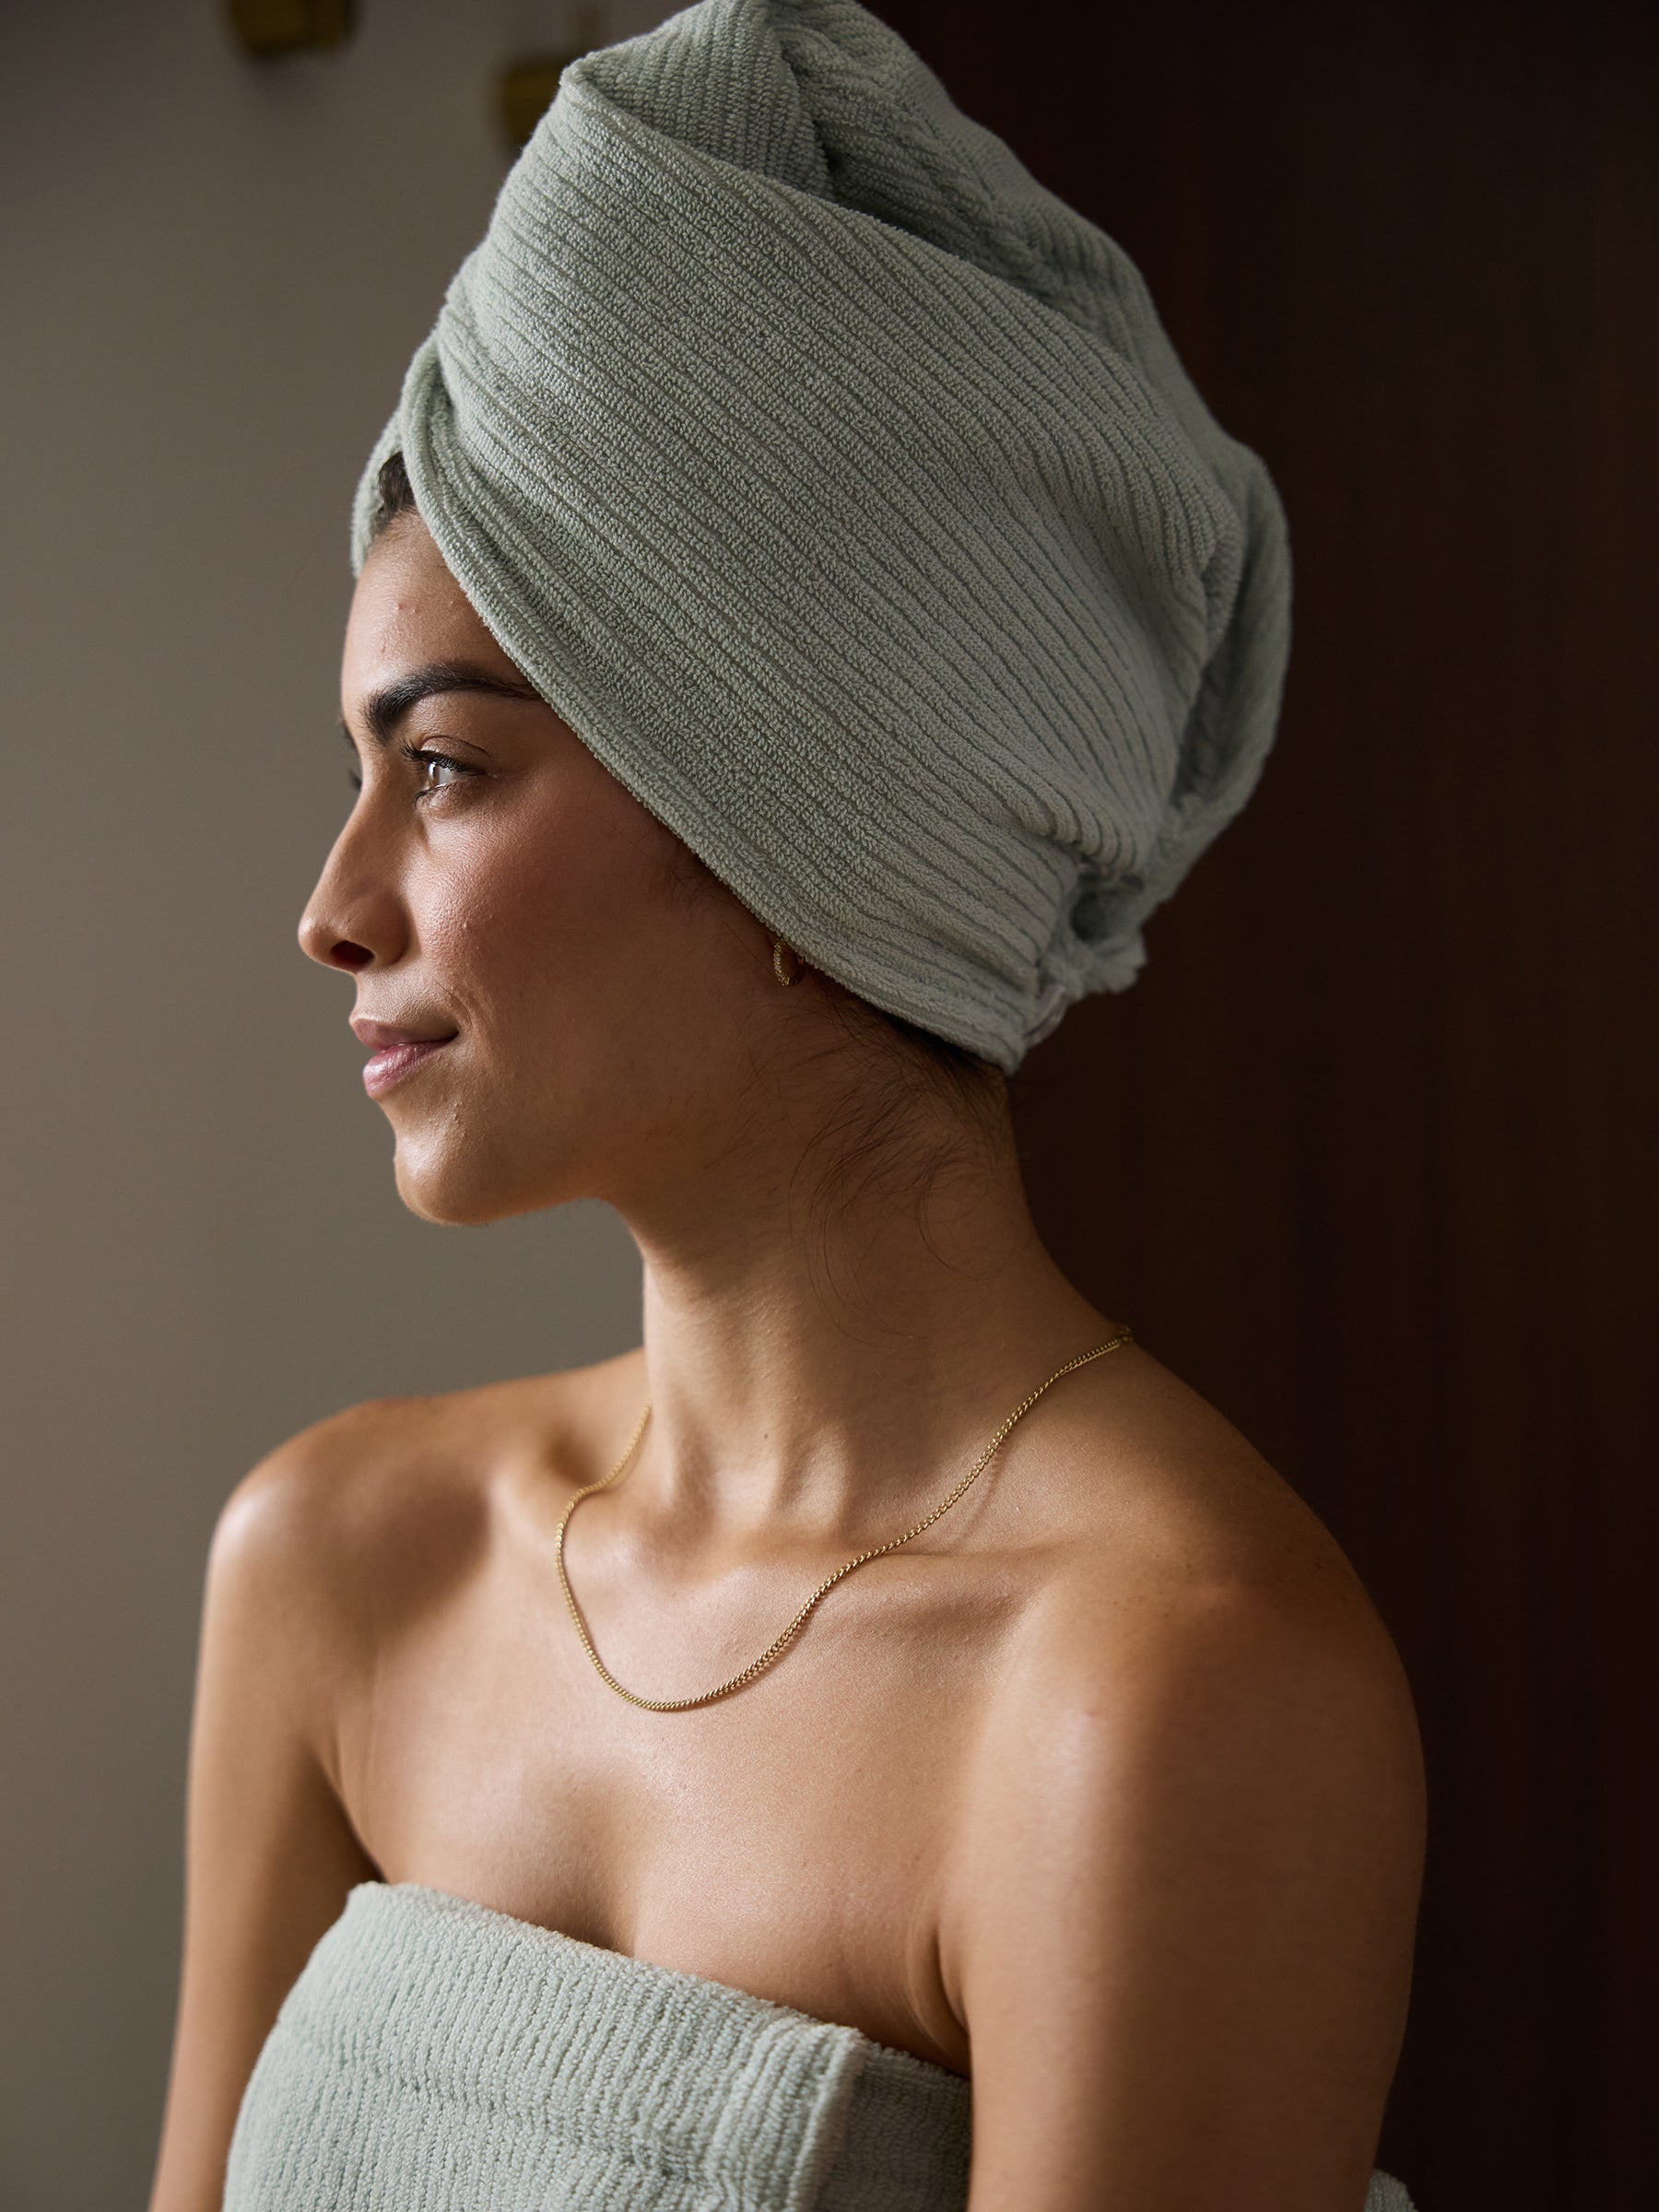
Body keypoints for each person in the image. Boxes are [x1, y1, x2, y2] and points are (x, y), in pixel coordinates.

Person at [147, 4, 1424, 2207]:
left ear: (792, 833)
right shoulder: (338, 1565)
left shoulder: (1168, 1695)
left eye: (443, 769)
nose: (333, 906)